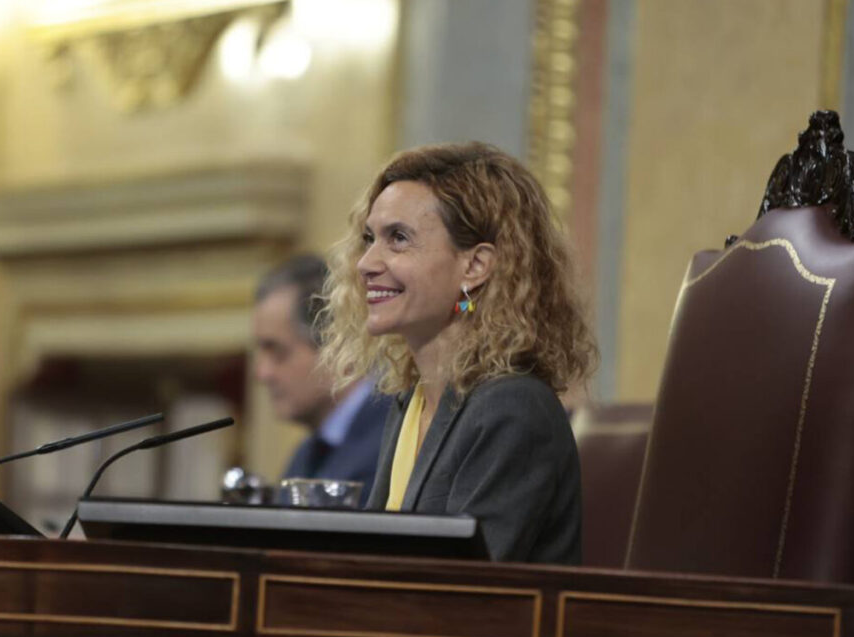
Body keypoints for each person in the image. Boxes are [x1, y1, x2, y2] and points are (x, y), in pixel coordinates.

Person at [321, 143, 597, 563]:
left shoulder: (513, 408)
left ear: (475, 266)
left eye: (398, 238)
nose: (365, 263)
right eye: (369, 238)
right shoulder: (412, 402)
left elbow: (460, 586)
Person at [253, 255, 389, 505]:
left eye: (278, 351)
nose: (262, 373)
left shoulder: (391, 445)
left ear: (336, 344)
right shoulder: (305, 455)